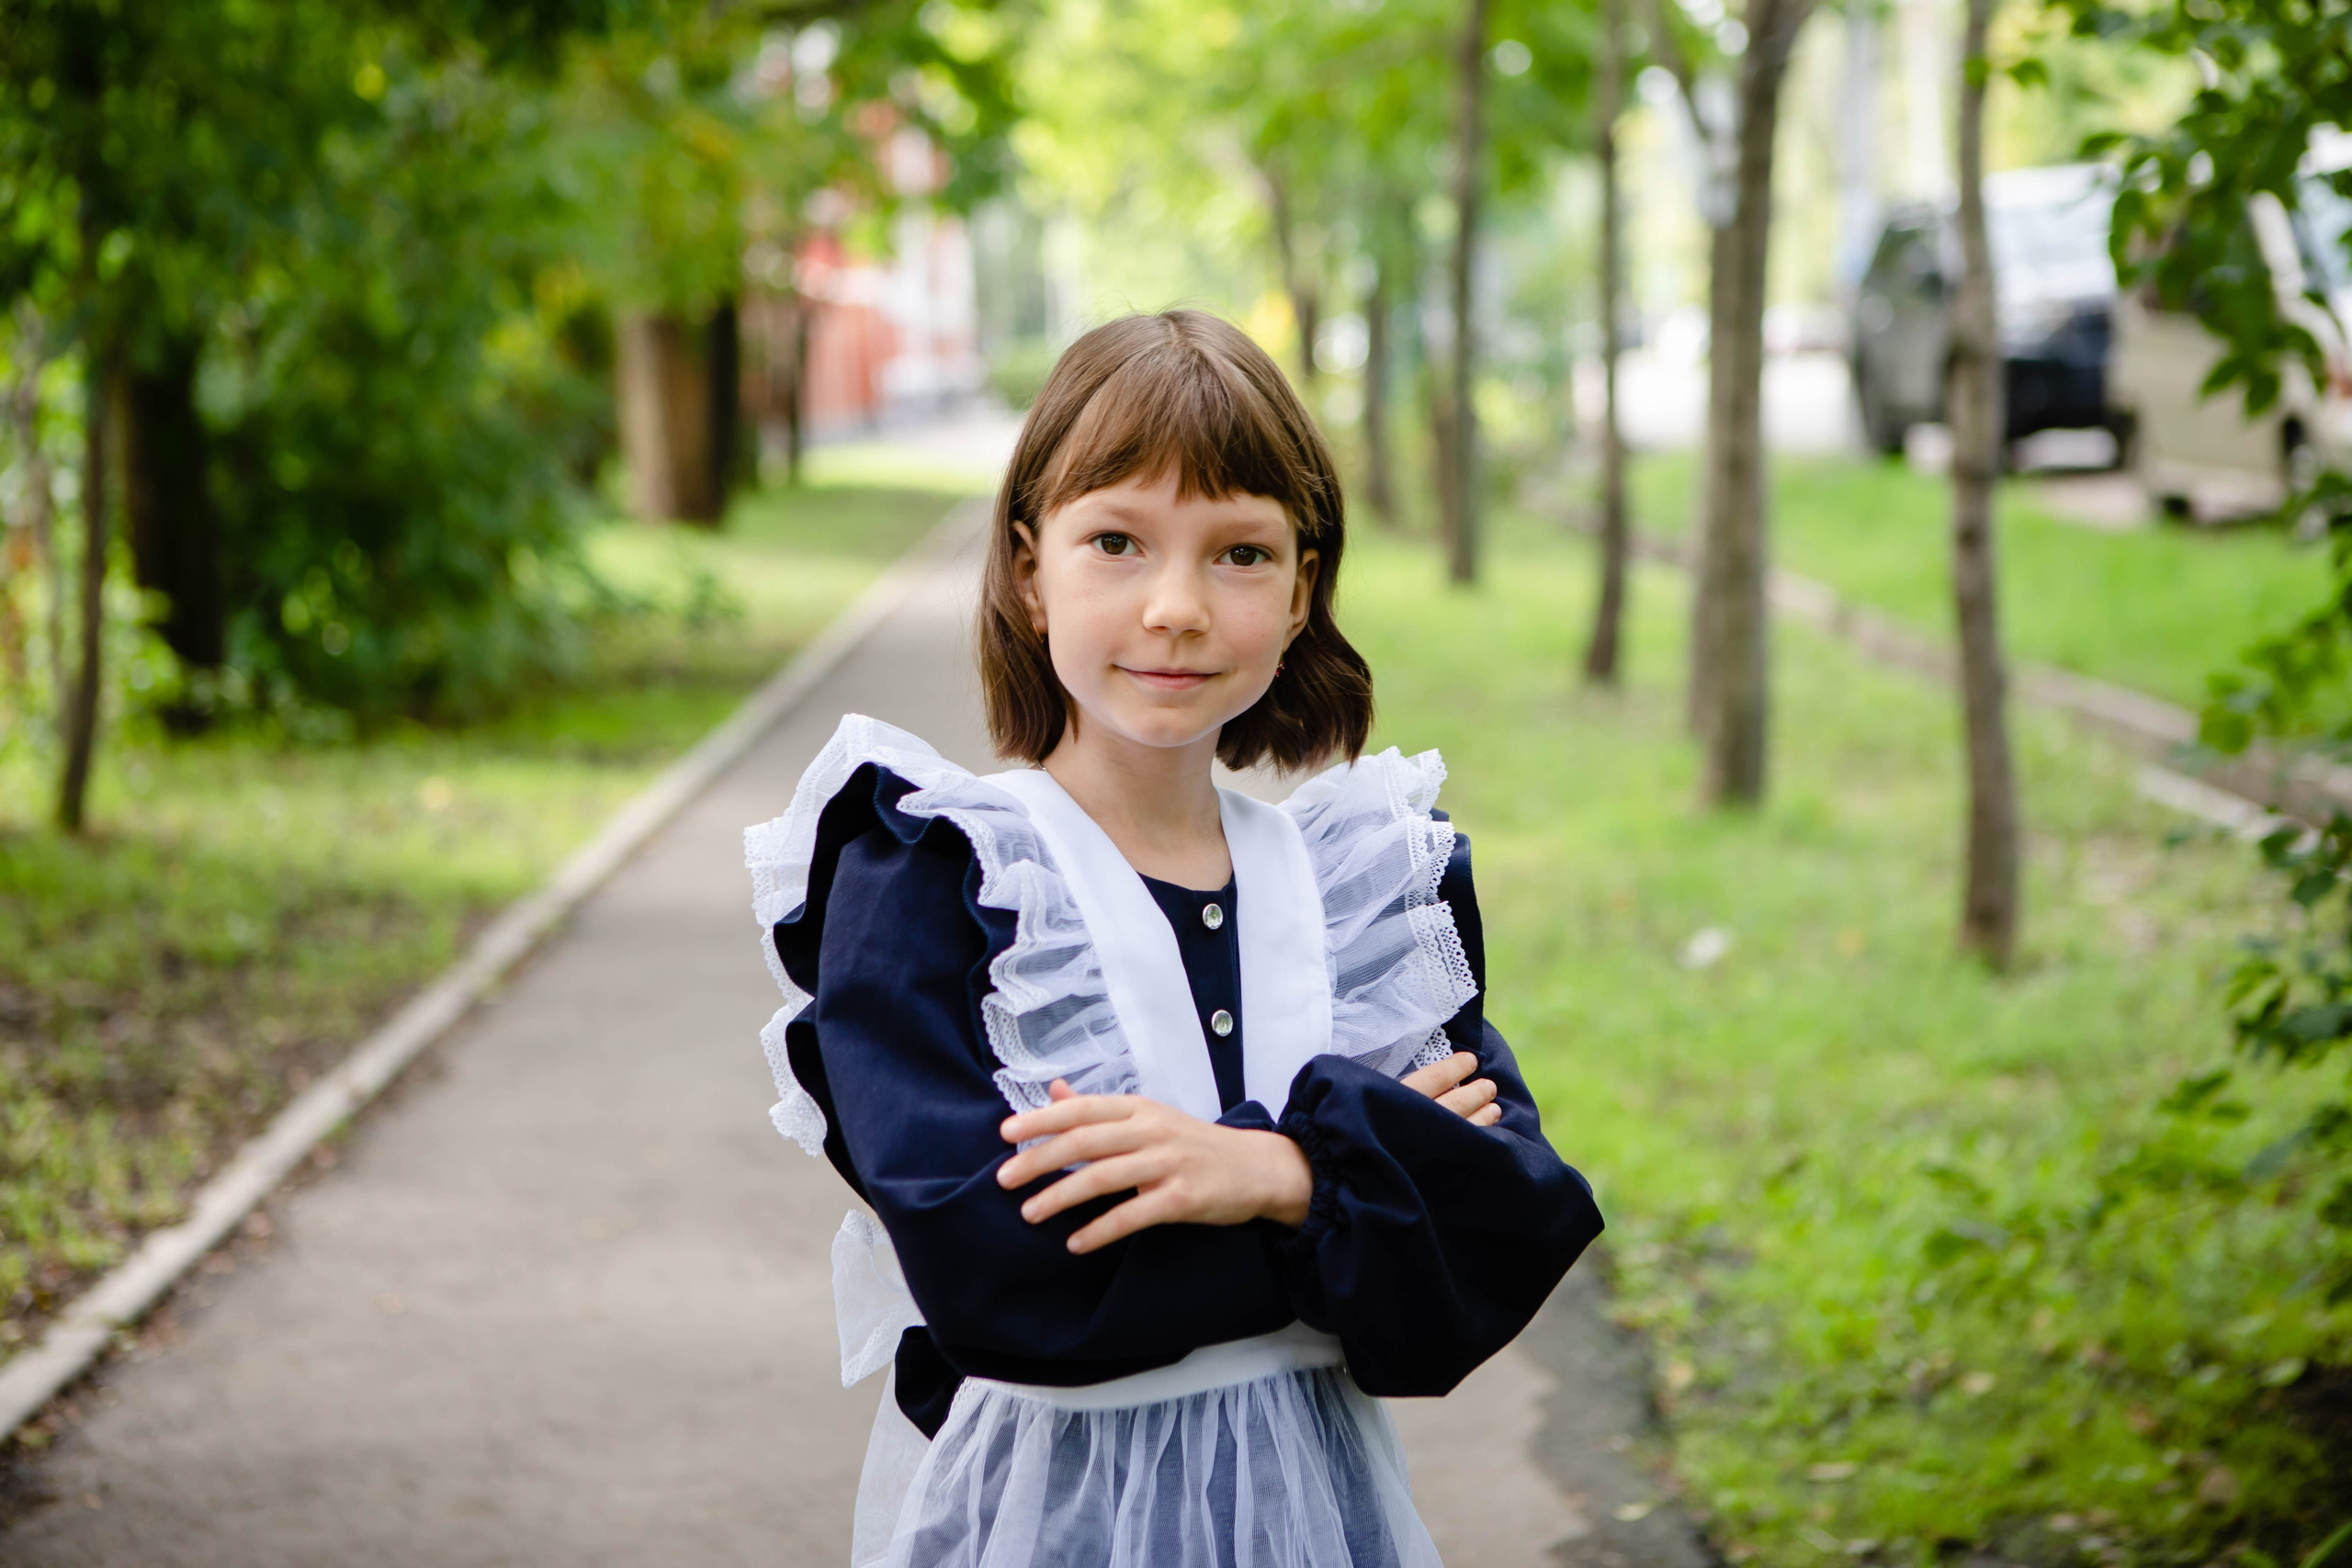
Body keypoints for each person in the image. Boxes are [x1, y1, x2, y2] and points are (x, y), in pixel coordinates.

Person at [746, 309, 1602, 1568]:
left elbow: (1502, 1235)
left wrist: (1268, 1175)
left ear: (1302, 590)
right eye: (1116, 541)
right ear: (1029, 570)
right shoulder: (936, 876)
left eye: (1241, 553)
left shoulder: (1356, 887)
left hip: (1325, 1518)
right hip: (1041, 1527)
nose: (1176, 608)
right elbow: (1001, 1278)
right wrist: (1360, 1194)